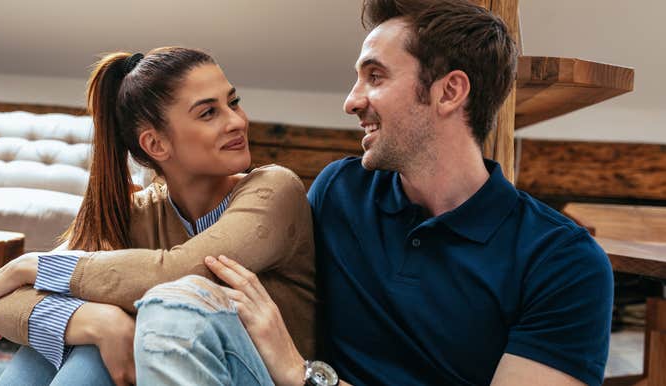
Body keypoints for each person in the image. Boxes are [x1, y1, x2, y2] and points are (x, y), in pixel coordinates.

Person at [134, 1, 614, 385]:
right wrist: (87, 316)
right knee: (171, 306)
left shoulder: (563, 263)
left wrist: (303, 374)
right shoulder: (340, 192)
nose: (351, 100)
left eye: (376, 76)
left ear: (449, 93)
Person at [0, 47, 317, 386]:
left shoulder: (275, 190)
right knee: (79, 339)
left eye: (233, 102)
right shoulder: (136, 213)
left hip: (258, 378)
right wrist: (102, 321)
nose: (237, 121)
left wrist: (32, 265)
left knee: (113, 335)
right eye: (209, 113)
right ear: (155, 145)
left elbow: (181, 269)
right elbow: (0, 301)